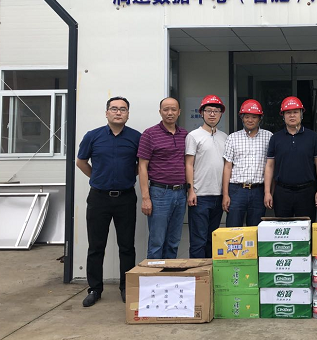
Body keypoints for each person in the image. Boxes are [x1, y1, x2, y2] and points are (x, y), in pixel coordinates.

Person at [76, 96, 141, 307]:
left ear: (128, 114)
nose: (118, 112)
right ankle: (95, 288)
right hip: (99, 198)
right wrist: (98, 178)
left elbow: (141, 165)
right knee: (96, 246)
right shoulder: (92, 136)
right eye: (114, 109)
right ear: (106, 113)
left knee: (126, 246)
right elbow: (81, 162)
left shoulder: (136, 137)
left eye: (123, 109)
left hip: (126, 198)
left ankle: (126, 287)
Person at [137, 97, 188, 259]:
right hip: (159, 193)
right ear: (160, 112)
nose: (169, 113)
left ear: (179, 112)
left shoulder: (185, 135)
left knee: (173, 241)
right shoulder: (149, 134)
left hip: (181, 193)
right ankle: (154, 275)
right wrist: (145, 198)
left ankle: (169, 274)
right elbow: (142, 166)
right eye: (166, 109)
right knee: (157, 242)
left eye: (173, 109)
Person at [264, 96, 317, 222]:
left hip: (306, 192)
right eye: (288, 112)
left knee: (306, 229)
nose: (292, 115)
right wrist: (267, 192)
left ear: (301, 114)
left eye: (295, 112)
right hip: (282, 192)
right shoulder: (275, 138)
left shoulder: (313, 137)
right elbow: (270, 165)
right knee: (283, 229)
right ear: (283, 115)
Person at [185, 95, 228, 258]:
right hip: (200, 196)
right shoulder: (193, 136)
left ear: (221, 114)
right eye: (208, 110)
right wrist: (191, 191)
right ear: (201, 113)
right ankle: (197, 273)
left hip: (218, 195)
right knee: (198, 240)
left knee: (213, 240)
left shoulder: (225, 137)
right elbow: (189, 164)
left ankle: (210, 271)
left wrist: (225, 194)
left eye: (216, 111)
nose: (212, 114)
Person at [222, 99, 272, 227]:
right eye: (247, 117)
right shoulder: (232, 138)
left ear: (260, 118)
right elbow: (227, 167)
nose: (250, 120)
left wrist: (269, 192)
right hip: (237, 190)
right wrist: (225, 194)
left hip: (259, 190)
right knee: (233, 229)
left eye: (254, 117)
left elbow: (271, 166)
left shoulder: (269, 137)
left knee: (256, 230)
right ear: (242, 118)